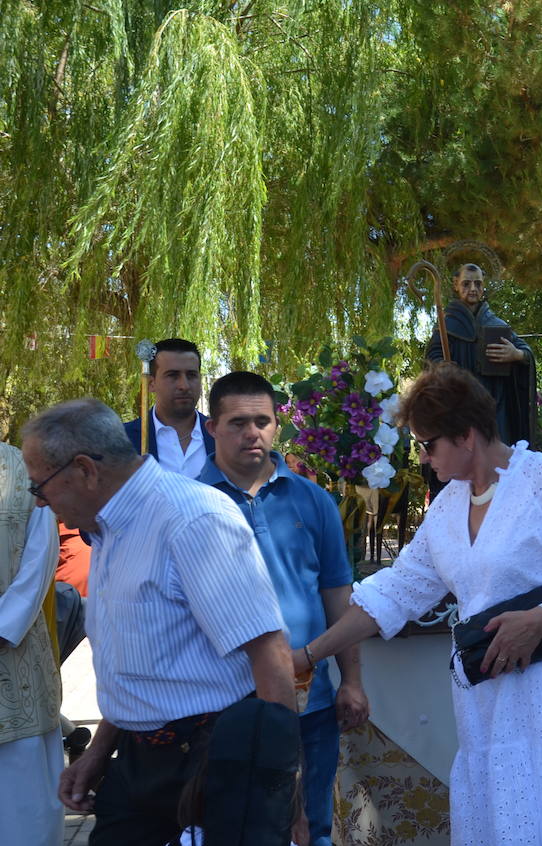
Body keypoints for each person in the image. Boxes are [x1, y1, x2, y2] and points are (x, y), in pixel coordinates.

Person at [291, 361, 542, 846]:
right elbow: (394, 593)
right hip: (493, 693)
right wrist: (308, 655)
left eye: (427, 444)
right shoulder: (449, 506)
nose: (422, 457)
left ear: (467, 436)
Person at [23, 398, 299, 845]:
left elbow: (269, 654)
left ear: (85, 470)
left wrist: (281, 789)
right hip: (136, 761)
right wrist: (98, 753)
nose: (40, 505)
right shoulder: (110, 528)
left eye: (41, 488)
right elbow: (142, 668)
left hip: (214, 760)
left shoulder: (192, 519)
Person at [200, 371, 371, 845]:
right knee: (232, 827)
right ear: (212, 428)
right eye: (237, 422)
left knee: (310, 828)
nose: (251, 432)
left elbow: (338, 595)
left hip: (309, 705)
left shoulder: (314, 501)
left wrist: (351, 681)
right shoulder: (192, 504)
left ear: (278, 425)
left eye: (262, 420)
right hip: (223, 704)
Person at [0, 445, 63, 846]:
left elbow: (42, 554)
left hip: (14, 657)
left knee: (23, 804)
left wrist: (4, 626)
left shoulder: (23, 467)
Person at [425, 263, 536, 445]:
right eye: (466, 284)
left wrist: (516, 354)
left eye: (478, 284)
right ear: (455, 284)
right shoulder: (446, 326)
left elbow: (527, 353)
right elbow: (433, 357)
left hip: (495, 408)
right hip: (460, 406)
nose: (473, 289)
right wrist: (443, 367)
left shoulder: (497, 324)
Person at [122, 337, 216, 476]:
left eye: (191, 375)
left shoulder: (220, 436)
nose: (184, 385)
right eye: (173, 375)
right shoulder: (124, 440)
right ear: (151, 383)